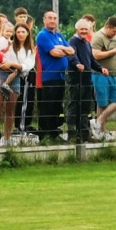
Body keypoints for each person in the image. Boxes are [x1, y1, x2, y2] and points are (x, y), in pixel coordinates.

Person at [35, 11, 75, 141]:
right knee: (48, 106)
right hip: (49, 76)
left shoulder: (58, 35)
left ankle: (53, 132)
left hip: (60, 76)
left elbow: (72, 51)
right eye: (50, 18)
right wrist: (63, 50)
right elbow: (54, 53)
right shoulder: (42, 35)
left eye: (55, 18)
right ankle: (45, 134)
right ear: (44, 20)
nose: (52, 20)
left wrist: (61, 48)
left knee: (57, 105)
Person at [90, 16, 116, 138]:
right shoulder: (98, 37)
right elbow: (96, 55)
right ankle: (102, 131)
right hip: (100, 74)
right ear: (108, 27)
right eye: (114, 31)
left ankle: (98, 121)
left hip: (113, 74)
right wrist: (113, 52)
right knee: (102, 103)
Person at [66, 18, 105, 141]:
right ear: (77, 29)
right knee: (74, 104)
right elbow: (71, 55)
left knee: (85, 106)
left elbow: (91, 60)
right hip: (76, 78)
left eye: (86, 29)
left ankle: (84, 133)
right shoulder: (73, 41)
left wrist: (100, 68)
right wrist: (77, 63)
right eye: (82, 29)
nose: (84, 31)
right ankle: (72, 132)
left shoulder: (87, 43)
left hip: (87, 78)